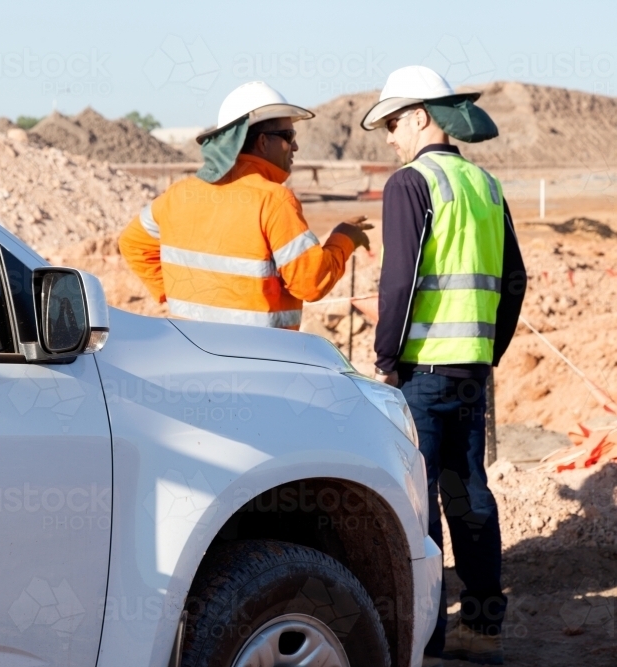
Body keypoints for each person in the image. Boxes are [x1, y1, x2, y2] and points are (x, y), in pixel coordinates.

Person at [362, 65, 527, 666]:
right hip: (470, 372)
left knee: (420, 501)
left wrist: (386, 358)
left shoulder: (410, 183)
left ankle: (425, 640)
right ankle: (481, 632)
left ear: (422, 116)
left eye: (394, 122)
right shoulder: (484, 185)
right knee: (470, 495)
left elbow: (398, 282)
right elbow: (515, 282)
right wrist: (488, 350)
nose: (388, 137)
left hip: (424, 373)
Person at [119, 81, 370, 330]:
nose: (295, 146)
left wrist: (175, 291)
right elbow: (310, 283)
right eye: (288, 135)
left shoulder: (178, 195)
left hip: (192, 351)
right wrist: (344, 239)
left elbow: (132, 243)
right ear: (262, 142)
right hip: (258, 356)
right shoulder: (274, 200)